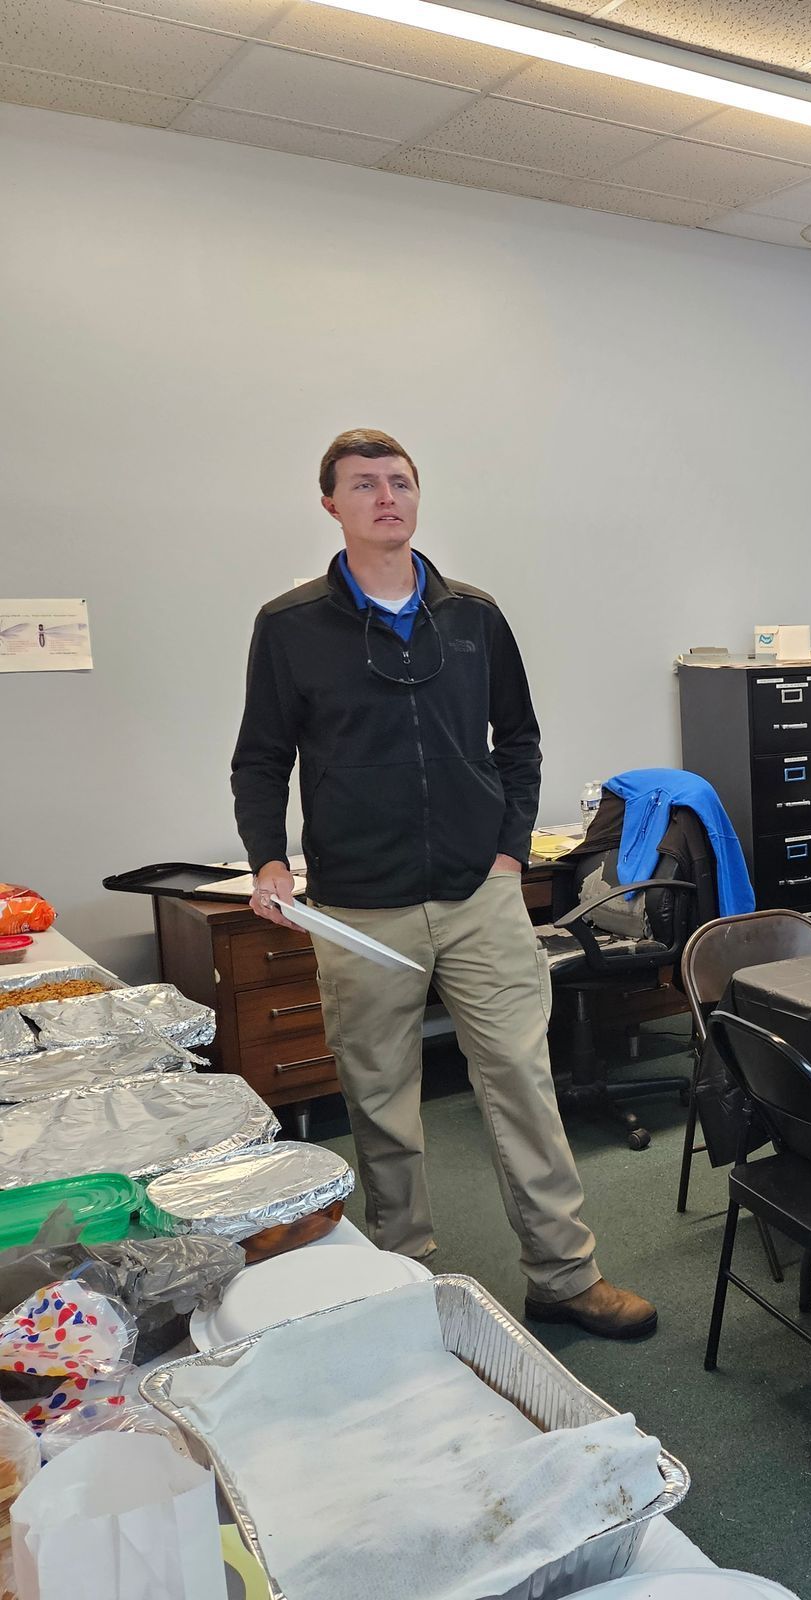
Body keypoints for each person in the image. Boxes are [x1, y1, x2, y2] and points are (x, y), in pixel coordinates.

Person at [231, 428, 657, 1339]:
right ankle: (405, 1283)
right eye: (364, 484)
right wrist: (268, 858)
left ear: (417, 497)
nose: (386, 497)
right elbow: (260, 758)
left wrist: (509, 852)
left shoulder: (473, 616)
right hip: (359, 906)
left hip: (479, 896)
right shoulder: (291, 626)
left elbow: (519, 739)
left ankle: (565, 1276)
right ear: (331, 505)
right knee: (381, 1103)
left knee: (523, 1085)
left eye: (400, 482)